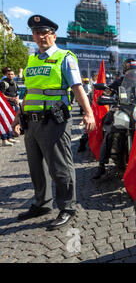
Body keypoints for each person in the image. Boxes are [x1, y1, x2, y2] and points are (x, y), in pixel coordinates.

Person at [11, 15, 95, 230]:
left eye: (44, 33)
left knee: (60, 167)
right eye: (36, 34)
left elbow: (77, 87)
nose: (40, 37)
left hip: (54, 121)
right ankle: (42, 203)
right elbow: (29, 92)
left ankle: (67, 207)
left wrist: (88, 112)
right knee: (36, 167)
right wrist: (18, 117)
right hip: (31, 122)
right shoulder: (31, 60)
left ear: (53, 35)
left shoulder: (65, 57)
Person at [91, 58, 136, 179]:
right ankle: (101, 165)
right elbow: (108, 92)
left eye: (135, 70)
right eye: (131, 70)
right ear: (125, 71)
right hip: (123, 110)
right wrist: (106, 96)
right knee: (110, 132)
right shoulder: (120, 81)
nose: (133, 73)